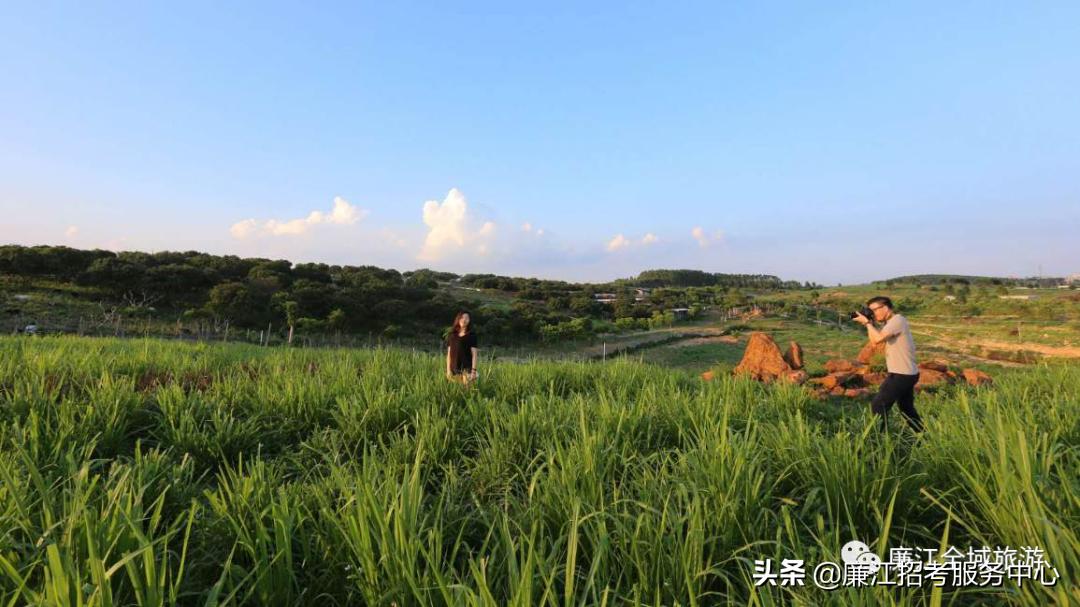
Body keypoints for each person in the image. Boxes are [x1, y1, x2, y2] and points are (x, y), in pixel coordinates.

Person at [852, 296, 924, 433]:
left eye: (874, 310)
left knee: (878, 405)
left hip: (902, 374)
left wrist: (868, 323)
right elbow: (874, 342)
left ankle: (880, 440)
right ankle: (923, 436)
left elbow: (878, 339)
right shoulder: (891, 323)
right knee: (906, 408)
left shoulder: (898, 320)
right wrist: (868, 323)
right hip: (905, 373)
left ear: (885, 307)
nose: (873, 313)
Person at [445, 311, 479, 385]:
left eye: (467, 318)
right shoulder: (452, 335)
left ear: (469, 321)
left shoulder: (472, 336)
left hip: (467, 369)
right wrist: (448, 370)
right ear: (458, 319)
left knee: (467, 391)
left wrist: (473, 371)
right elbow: (449, 355)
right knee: (457, 391)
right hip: (454, 368)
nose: (464, 320)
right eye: (462, 317)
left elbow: (474, 355)